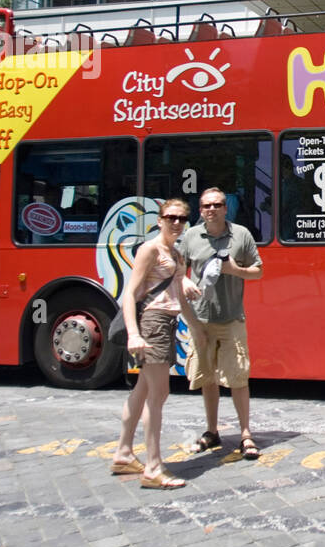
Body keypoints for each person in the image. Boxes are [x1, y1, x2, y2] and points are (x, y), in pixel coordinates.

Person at [112, 199, 201, 489]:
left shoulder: (175, 253)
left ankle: (123, 453)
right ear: (160, 219)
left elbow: (178, 296)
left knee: (144, 390)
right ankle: (152, 468)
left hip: (167, 323)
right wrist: (134, 334)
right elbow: (130, 294)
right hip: (153, 324)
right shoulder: (149, 249)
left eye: (183, 219)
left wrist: (197, 329)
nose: (177, 223)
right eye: (171, 217)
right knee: (158, 394)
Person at [180, 186, 264, 459]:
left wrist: (234, 270)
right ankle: (212, 430)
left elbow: (257, 272)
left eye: (217, 204)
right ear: (201, 210)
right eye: (206, 206)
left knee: (239, 377)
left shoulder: (241, 235)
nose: (212, 209)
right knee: (207, 377)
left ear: (226, 208)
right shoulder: (190, 237)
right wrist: (184, 281)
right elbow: (178, 272)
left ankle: (245, 434)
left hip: (231, 318)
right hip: (201, 319)